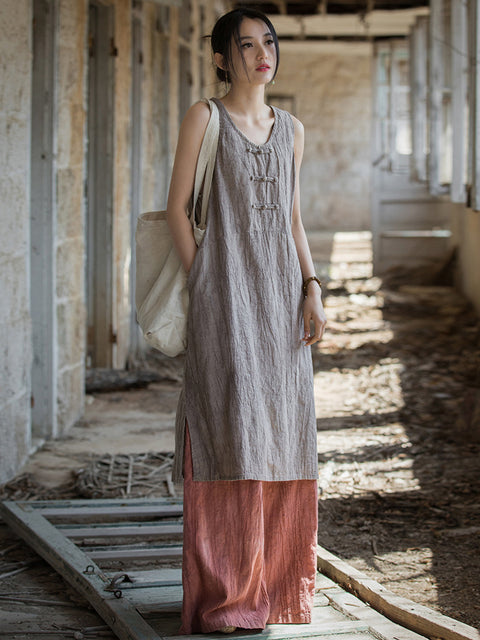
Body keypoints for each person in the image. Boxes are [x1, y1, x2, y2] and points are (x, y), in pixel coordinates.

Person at [166, 7, 327, 634]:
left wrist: (312, 287)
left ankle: (273, 591)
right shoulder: (205, 119)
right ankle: (227, 600)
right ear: (220, 58)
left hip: (282, 303)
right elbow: (178, 210)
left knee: (282, 434)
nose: (263, 53)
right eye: (247, 44)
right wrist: (203, 280)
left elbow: (290, 217)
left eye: (269, 42)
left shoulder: (292, 130)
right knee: (228, 433)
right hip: (223, 302)